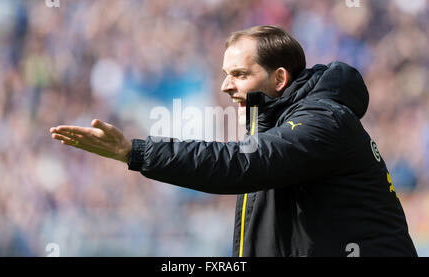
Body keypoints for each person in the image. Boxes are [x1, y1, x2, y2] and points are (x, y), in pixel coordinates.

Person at [50, 25, 417, 257]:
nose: (226, 86)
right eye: (226, 74)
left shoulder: (323, 121)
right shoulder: (279, 128)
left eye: (239, 74)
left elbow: (242, 165)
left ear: (279, 79)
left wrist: (136, 152)